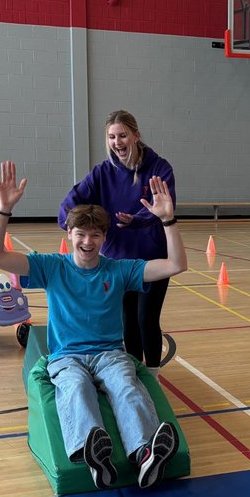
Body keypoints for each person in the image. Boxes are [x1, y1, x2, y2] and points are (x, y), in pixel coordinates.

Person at [0, 160, 186, 490]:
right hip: (68, 357)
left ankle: (146, 453)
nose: (88, 242)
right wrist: (3, 210)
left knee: (126, 386)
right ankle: (95, 456)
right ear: (69, 234)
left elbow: (177, 264)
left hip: (110, 354)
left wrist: (167, 219)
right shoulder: (51, 267)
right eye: (81, 234)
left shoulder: (119, 270)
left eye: (96, 235)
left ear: (105, 237)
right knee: (76, 389)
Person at [58, 110, 176, 372]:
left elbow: (164, 208)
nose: (117, 142)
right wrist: (70, 221)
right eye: (112, 137)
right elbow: (72, 201)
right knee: (128, 320)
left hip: (151, 258)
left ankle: (153, 373)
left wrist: (137, 220)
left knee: (147, 318)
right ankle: (134, 369)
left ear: (135, 135)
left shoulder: (159, 168)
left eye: (123, 135)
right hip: (118, 260)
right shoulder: (102, 172)